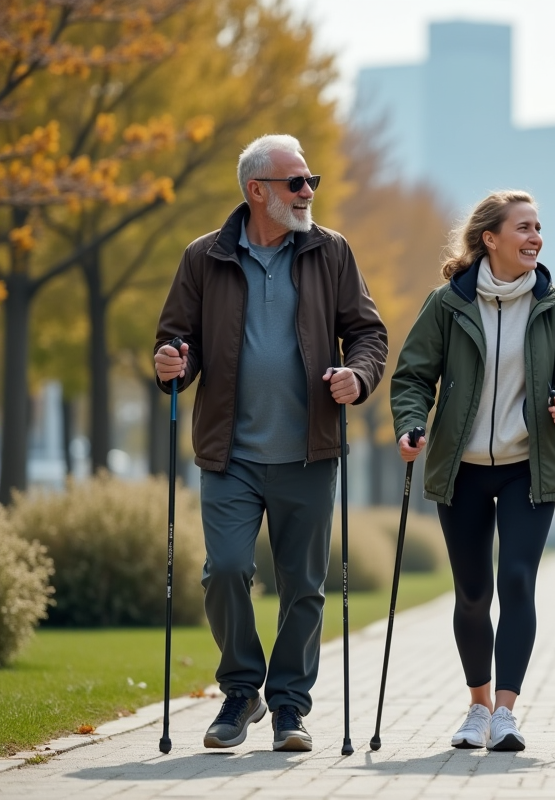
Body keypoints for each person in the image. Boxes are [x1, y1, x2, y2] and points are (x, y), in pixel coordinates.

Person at [153, 134, 388, 752]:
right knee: (224, 571)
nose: (308, 192)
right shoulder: (203, 257)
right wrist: (171, 362)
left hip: (308, 450)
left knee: (303, 586)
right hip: (229, 453)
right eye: (295, 183)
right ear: (257, 190)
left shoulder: (330, 252)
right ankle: (240, 691)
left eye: (311, 181)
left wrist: (357, 376)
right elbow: (178, 338)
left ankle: (289, 707)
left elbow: (367, 332)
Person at [391, 190, 555, 752]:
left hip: (527, 468)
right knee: (473, 593)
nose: (535, 237)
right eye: (524, 228)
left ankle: (506, 711)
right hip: (462, 470)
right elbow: (412, 376)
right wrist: (411, 424)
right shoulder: (448, 305)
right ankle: (477, 706)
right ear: (491, 239)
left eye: (538, 228)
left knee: (517, 581)